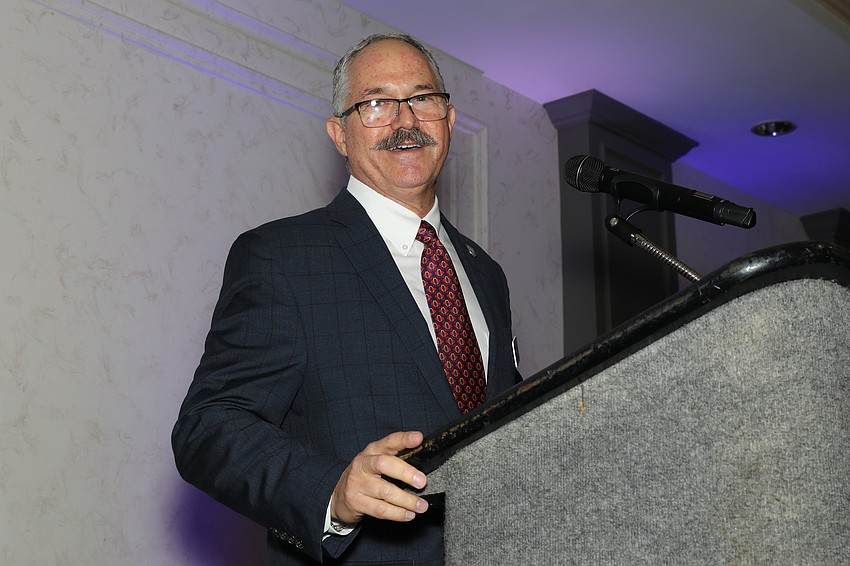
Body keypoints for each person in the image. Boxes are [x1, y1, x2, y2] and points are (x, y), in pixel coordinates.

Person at [172, 33, 521, 566]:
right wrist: (332, 491)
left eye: (422, 98)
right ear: (340, 134)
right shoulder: (282, 256)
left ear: (449, 120)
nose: (406, 121)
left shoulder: (485, 273)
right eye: (376, 103)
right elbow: (210, 426)